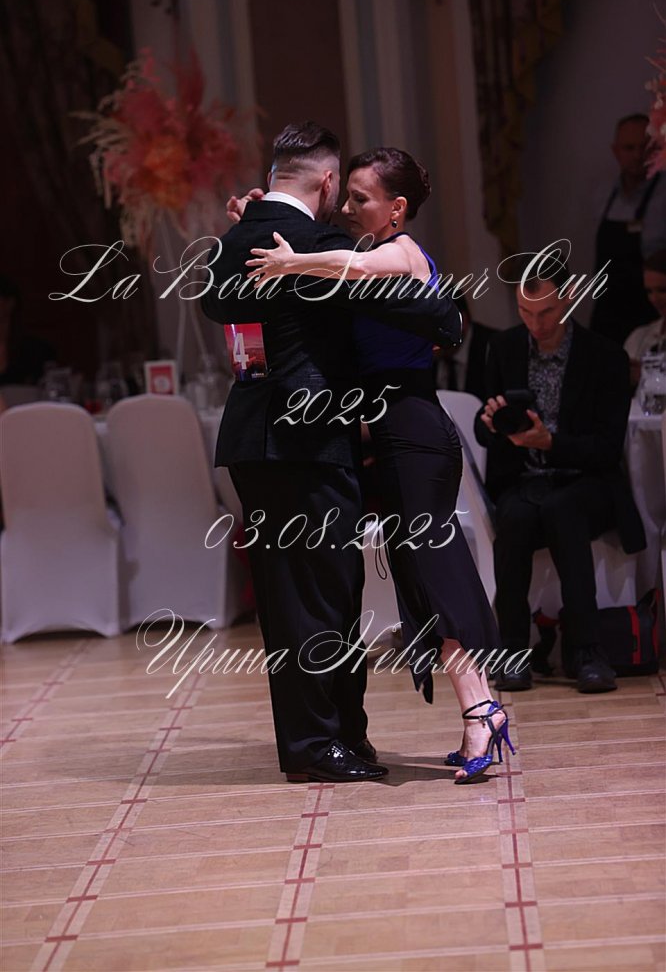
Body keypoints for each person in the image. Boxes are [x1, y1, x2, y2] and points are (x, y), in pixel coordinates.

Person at [202, 123, 462, 784]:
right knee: (323, 595)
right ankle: (319, 745)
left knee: (294, 595)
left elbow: (216, 304)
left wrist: (248, 222)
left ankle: (338, 735)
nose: (344, 205)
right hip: (310, 440)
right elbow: (428, 317)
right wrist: (443, 320)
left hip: (253, 441)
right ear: (325, 180)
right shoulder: (320, 245)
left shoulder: (235, 239)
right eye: (340, 190)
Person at [246, 146, 512, 784]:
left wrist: (290, 261)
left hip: (416, 434)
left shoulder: (404, 252)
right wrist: (258, 216)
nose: (346, 206)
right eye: (346, 195)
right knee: (419, 578)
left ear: (396, 208)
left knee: (435, 568)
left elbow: (351, 266)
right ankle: (481, 710)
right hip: (387, 440)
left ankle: (482, 709)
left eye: (360, 198)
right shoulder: (365, 249)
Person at [474, 262, 646, 694]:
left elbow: (606, 449)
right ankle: (512, 653)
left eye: (546, 312)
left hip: (587, 480)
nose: (536, 324)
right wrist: (492, 421)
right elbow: (484, 427)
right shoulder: (504, 348)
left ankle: (586, 651)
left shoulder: (605, 356)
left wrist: (549, 442)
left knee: (562, 509)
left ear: (569, 299)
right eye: (525, 312)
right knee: (514, 517)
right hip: (525, 479)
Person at [590, 114, 666, 344]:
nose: (637, 155)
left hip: (649, 312)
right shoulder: (604, 195)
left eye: (644, 147)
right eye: (629, 148)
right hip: (607, 313)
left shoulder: (663, 195)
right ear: (616, 151)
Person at [624, 249, 666, 389]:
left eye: (662, 290)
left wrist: (647, 376)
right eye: (649, 291)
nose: (654, 299)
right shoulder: (639, 336)